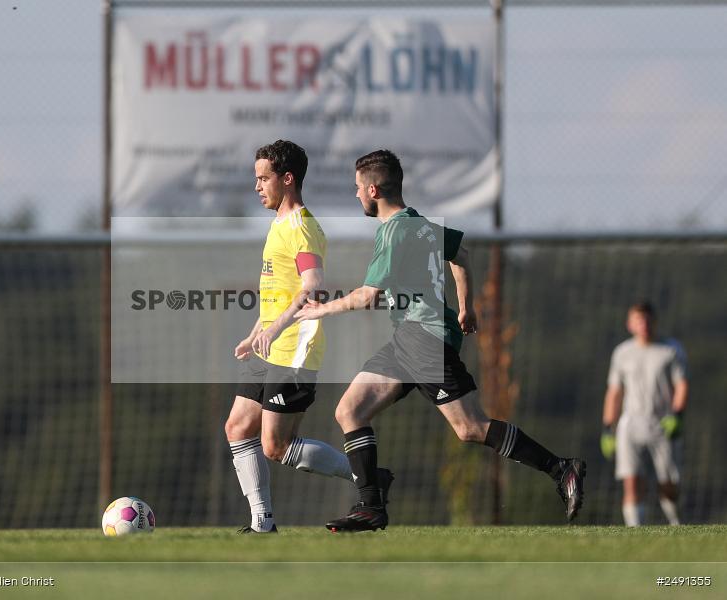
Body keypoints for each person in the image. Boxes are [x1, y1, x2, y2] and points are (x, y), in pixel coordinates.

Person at [295, 149, 586, 532]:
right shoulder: (420, 225)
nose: (355, 196)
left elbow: (368, 296)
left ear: (373, 188)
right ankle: (371, 505)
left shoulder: (394, 231)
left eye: (357, 189)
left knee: (470, 428)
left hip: (423, 339)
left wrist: (318, 311)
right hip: (411, 338)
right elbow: (461, 254)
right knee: (350, 410)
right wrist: (467, 307)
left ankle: (560, 468)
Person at [224, 140, 392, 533]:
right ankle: (261, 522)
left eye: (263, 178)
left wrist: (278, 329)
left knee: (276, 447)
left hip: (294, 351)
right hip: (269, 348)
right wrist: (256, 334)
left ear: (287, 179)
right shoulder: (277, 224)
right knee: (237, 427)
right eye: (256, 179)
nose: (257, 186)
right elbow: (276, 292)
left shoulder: (302, 227)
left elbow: (313, 285)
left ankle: (368, 478)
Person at [601, 301, 688, 526]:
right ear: (630, 324)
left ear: (654, 322)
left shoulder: (671, 349)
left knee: (668, 483)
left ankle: (675, 521)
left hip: (662, 423)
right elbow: (614, 392)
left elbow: (681, 385)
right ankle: (634, 530)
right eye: (639, 321)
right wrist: (607, 428)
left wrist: (677, 415)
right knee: (631, 481)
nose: (644, 325)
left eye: (647, 320)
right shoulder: (622, 353)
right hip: (630, 424)